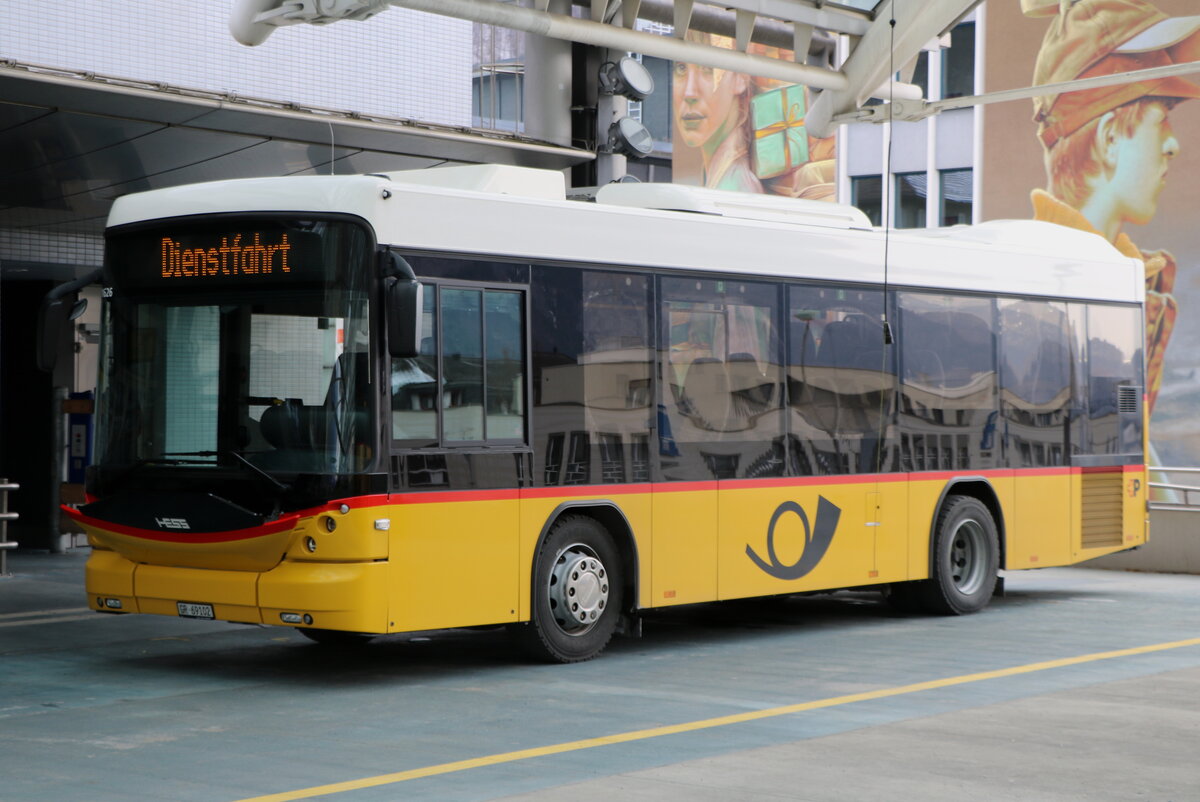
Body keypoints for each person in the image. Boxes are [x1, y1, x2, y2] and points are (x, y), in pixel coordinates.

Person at [1026, 0, 1200, 413]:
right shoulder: (1046, 289)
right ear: (1108, 140)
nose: (1173, 144)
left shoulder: (1126, 277)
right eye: (1160, 120)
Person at [672, 33, 763, 193]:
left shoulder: (734, 188)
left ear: (740, 78)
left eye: (708, 69)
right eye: (681, 68)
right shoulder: (720, 178)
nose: (689, 92)